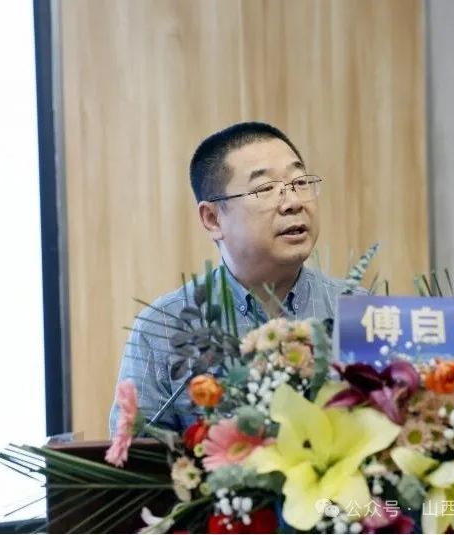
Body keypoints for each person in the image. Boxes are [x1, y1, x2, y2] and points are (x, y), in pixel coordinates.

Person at [109, 122, 366, 434]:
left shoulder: (359, 311)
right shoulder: (163, 327)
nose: (293, 202)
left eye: (300, 182)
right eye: (265, 189)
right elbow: (135, 455)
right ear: (213, 218)